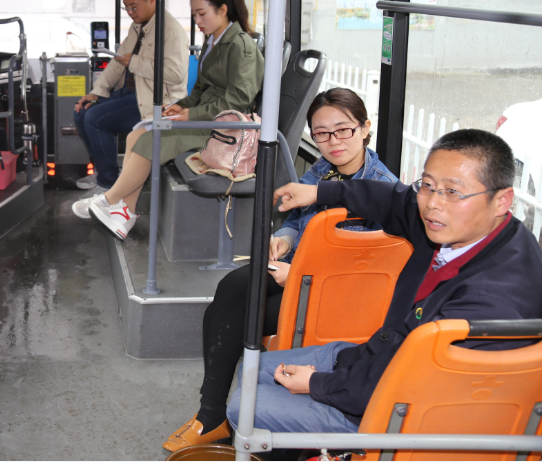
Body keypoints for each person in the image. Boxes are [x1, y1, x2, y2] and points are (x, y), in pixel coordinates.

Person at [226, 128, 542, 435]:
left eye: (453, 191)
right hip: (379, 357)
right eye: (428, 185)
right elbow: (396, 200)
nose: (432, 203)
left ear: (502, 200)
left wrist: (318, 384)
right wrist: (321, 192)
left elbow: (416, 381)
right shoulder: (465, 226)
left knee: (245, 407)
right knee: (251, 369)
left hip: (395, 411)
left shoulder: (493, 299)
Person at [163, 88, 398, 452]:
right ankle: (212, 414)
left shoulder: (385, 191)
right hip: (300, 269)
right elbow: (296, 216)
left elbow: (365, 273)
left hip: (335, 293)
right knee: (231, 289)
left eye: (343, 130)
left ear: (365, 128)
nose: (333, 142)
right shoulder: (323, 169)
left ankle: (213, 417)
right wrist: (286, 238)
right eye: (321, 134)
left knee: (237, 313)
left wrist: (303, 277)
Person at [74, 0, 265, 240]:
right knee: (136, 135)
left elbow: (238, 102)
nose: (197, 21)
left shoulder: (241, 46)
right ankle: (125, 213)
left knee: (152, 139)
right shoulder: (213, 41)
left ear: (222, 10)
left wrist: (191, 115)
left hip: (224, 128)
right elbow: (200, 90)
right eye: (194, 14)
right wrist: (181, 106)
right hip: (207, 118)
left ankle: (108, 200)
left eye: (202, 14)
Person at [71, 0, 189, 204]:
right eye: (126, 7)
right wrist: (96, 91)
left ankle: (108, 184)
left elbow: (176, 74)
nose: (130, 12)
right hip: (134, 94)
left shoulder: (170, 30)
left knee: (95, 118)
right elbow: (118, 61)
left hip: (157, 102)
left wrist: (135, 63)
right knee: (82, 111)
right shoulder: (138, 26)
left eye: (134, 7)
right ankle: (104, 172)